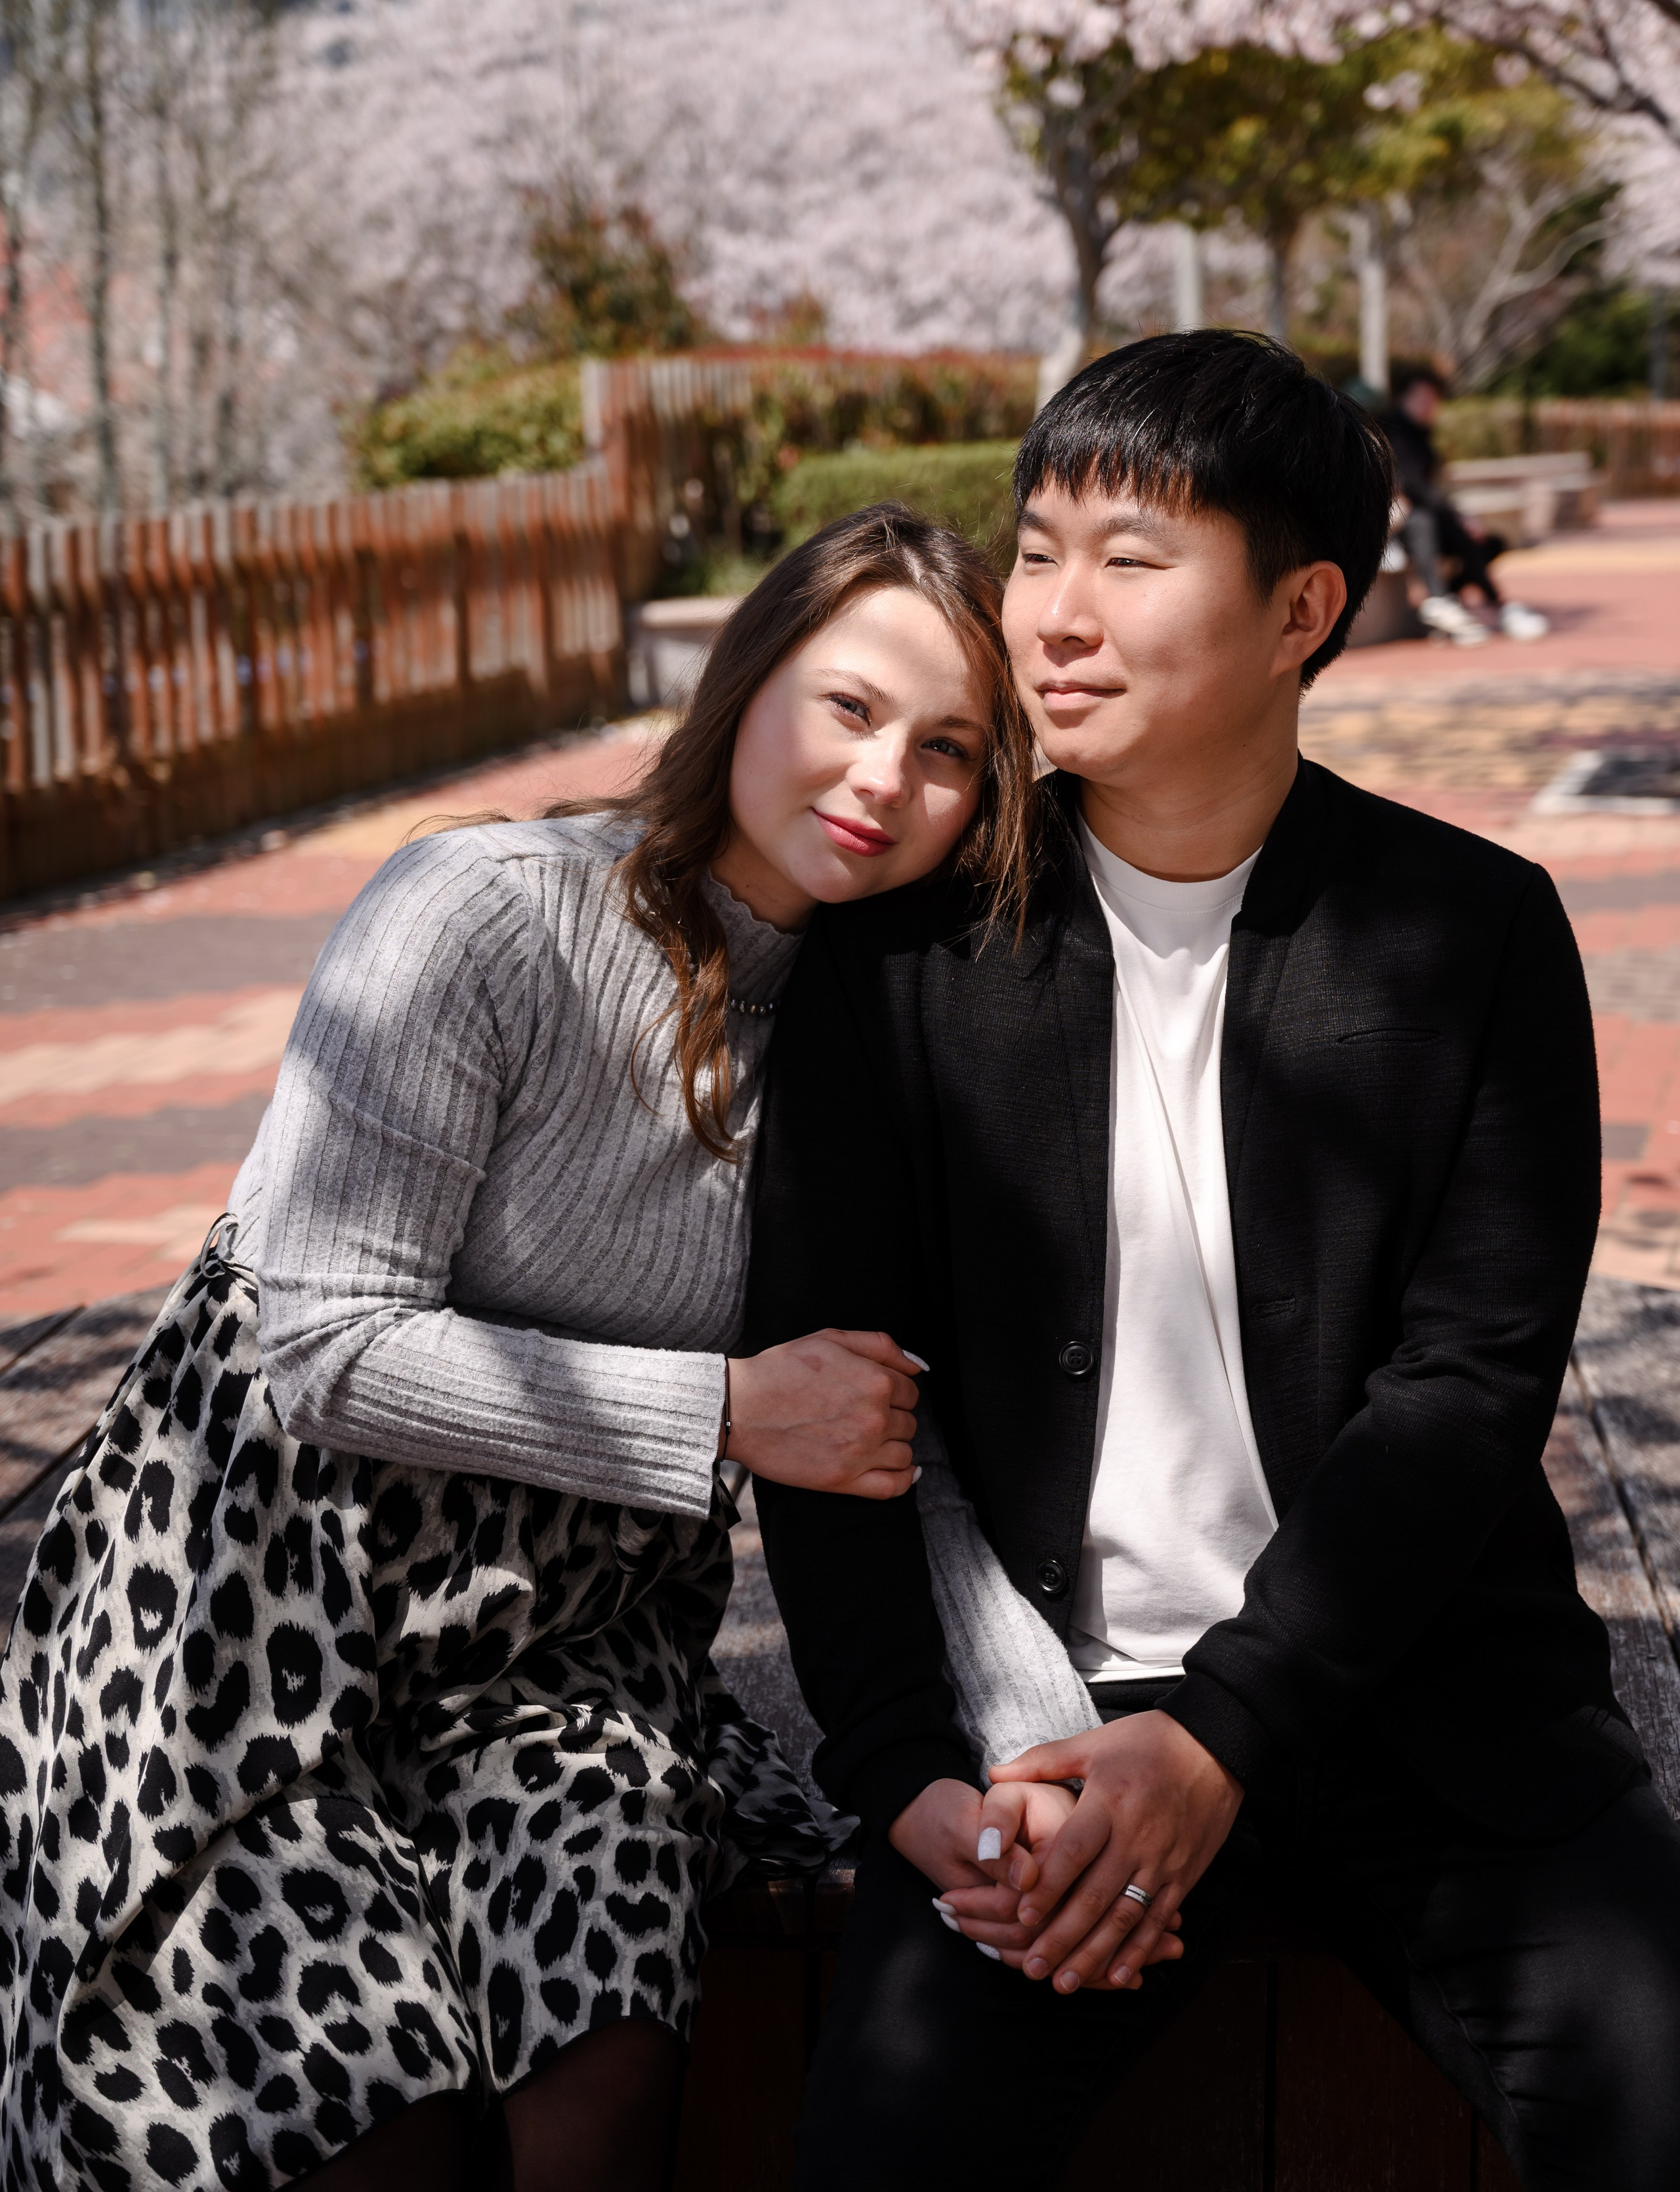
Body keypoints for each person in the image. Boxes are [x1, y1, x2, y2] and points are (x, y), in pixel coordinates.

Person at [0, 507, 1054, 2192]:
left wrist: (1011, 1760)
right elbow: (317, 1338)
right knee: (370, 2133)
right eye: (848, 705)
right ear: (747, 676)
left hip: (569, 1641)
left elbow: (882, 1426)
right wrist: (718, 1407)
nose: (883, 776)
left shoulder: (892, 1028)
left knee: (608, 2076)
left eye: (948, 750)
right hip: (253, 1609)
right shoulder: (485, 908)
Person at [746, 333, 1680, 2191]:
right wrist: (908, 1779)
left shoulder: (1467, 932)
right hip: (1047, 1742)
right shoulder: (900, 966)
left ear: (1301, 610)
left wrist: (1228, 1733)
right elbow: (833, 1408)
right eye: (1035, 550)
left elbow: (1466, 1394)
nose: (1055, 617)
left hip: (1425, 1711)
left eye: (1134, 559)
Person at [1382, 363, 1550, 644]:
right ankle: (1479, 604)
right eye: (1421, 397)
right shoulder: (1394, 431)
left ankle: (1453, 603)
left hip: (1427, 521)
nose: (1428, 405)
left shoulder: (1421, 436)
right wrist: (1459, 516)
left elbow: (1429, 490)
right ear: (1403, 398)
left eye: (1433, 399)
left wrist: (1459, 515)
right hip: (1396, 527)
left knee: (1489, 544)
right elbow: (1413, 486)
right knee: (1430, 523)